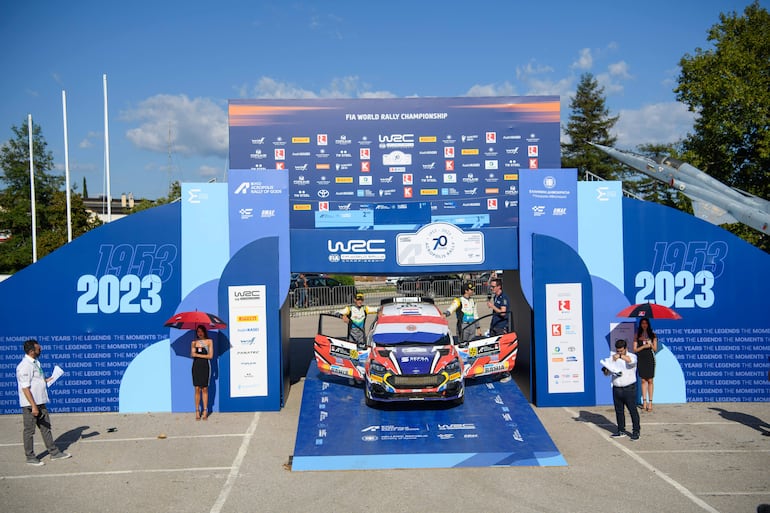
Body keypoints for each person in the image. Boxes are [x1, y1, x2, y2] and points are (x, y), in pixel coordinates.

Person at [16, 339, 71, 465]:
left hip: (40, 402)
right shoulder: (24, 366)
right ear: (31, 351)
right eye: (38, 349)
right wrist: (34, 406)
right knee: (29, 431)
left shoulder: (35, 363)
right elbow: (25, 388)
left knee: (46, 427)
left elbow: (35, 380)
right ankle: (30, 457)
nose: (40, 350)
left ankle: (54, 452)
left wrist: (46, 380)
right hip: (31, 404)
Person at [602, 339, 641, 440]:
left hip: (629, 388)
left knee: (632, 410)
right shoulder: (613, 358)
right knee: (619, 411)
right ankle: (621, 430)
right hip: (617, 388)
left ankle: (636, 431)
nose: (619, 353)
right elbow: (607, 373)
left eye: (621, 351)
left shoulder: (632, 356)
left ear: (625, 349)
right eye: (618, 351)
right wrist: (606, 369)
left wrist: (620, 356)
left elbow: (631, 362)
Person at [487, 278, 512, 382]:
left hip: (500, 327)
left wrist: (492, 306)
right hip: (494, 326)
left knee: (502, 351)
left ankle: (506, 373)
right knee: (494, 352)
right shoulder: (496, 296)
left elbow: (503, 313)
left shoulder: (503, 298)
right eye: (491, 286)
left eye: (493, 286)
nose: (491, 288)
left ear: (499, 287)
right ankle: (498, 371)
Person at [633, 318, 657, 412]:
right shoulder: (637, 335)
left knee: (650, 380)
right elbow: (635, 350)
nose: (644, 325)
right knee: (643, 380)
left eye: (646, 323)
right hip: (641, 358)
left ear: (648, 324)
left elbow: (655, 349)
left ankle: (650, 402)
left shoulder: (652, 335)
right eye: (643, 323)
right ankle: (644, 402)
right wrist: (643, 346)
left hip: (650, 358)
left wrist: (650, 344)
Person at [191, 325, 214, 420]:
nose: (199, 333)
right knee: (197, 388)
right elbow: (192, 354)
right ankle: (197, 411)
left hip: (205, 366)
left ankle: (205, 410)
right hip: (196, 366)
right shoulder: (193, 342)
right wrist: (196, 354)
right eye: (198, 331)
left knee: (204, 389)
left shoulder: (209, 342)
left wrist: (197, 355)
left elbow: (210, 356)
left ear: (204, 332)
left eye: (201, 331)